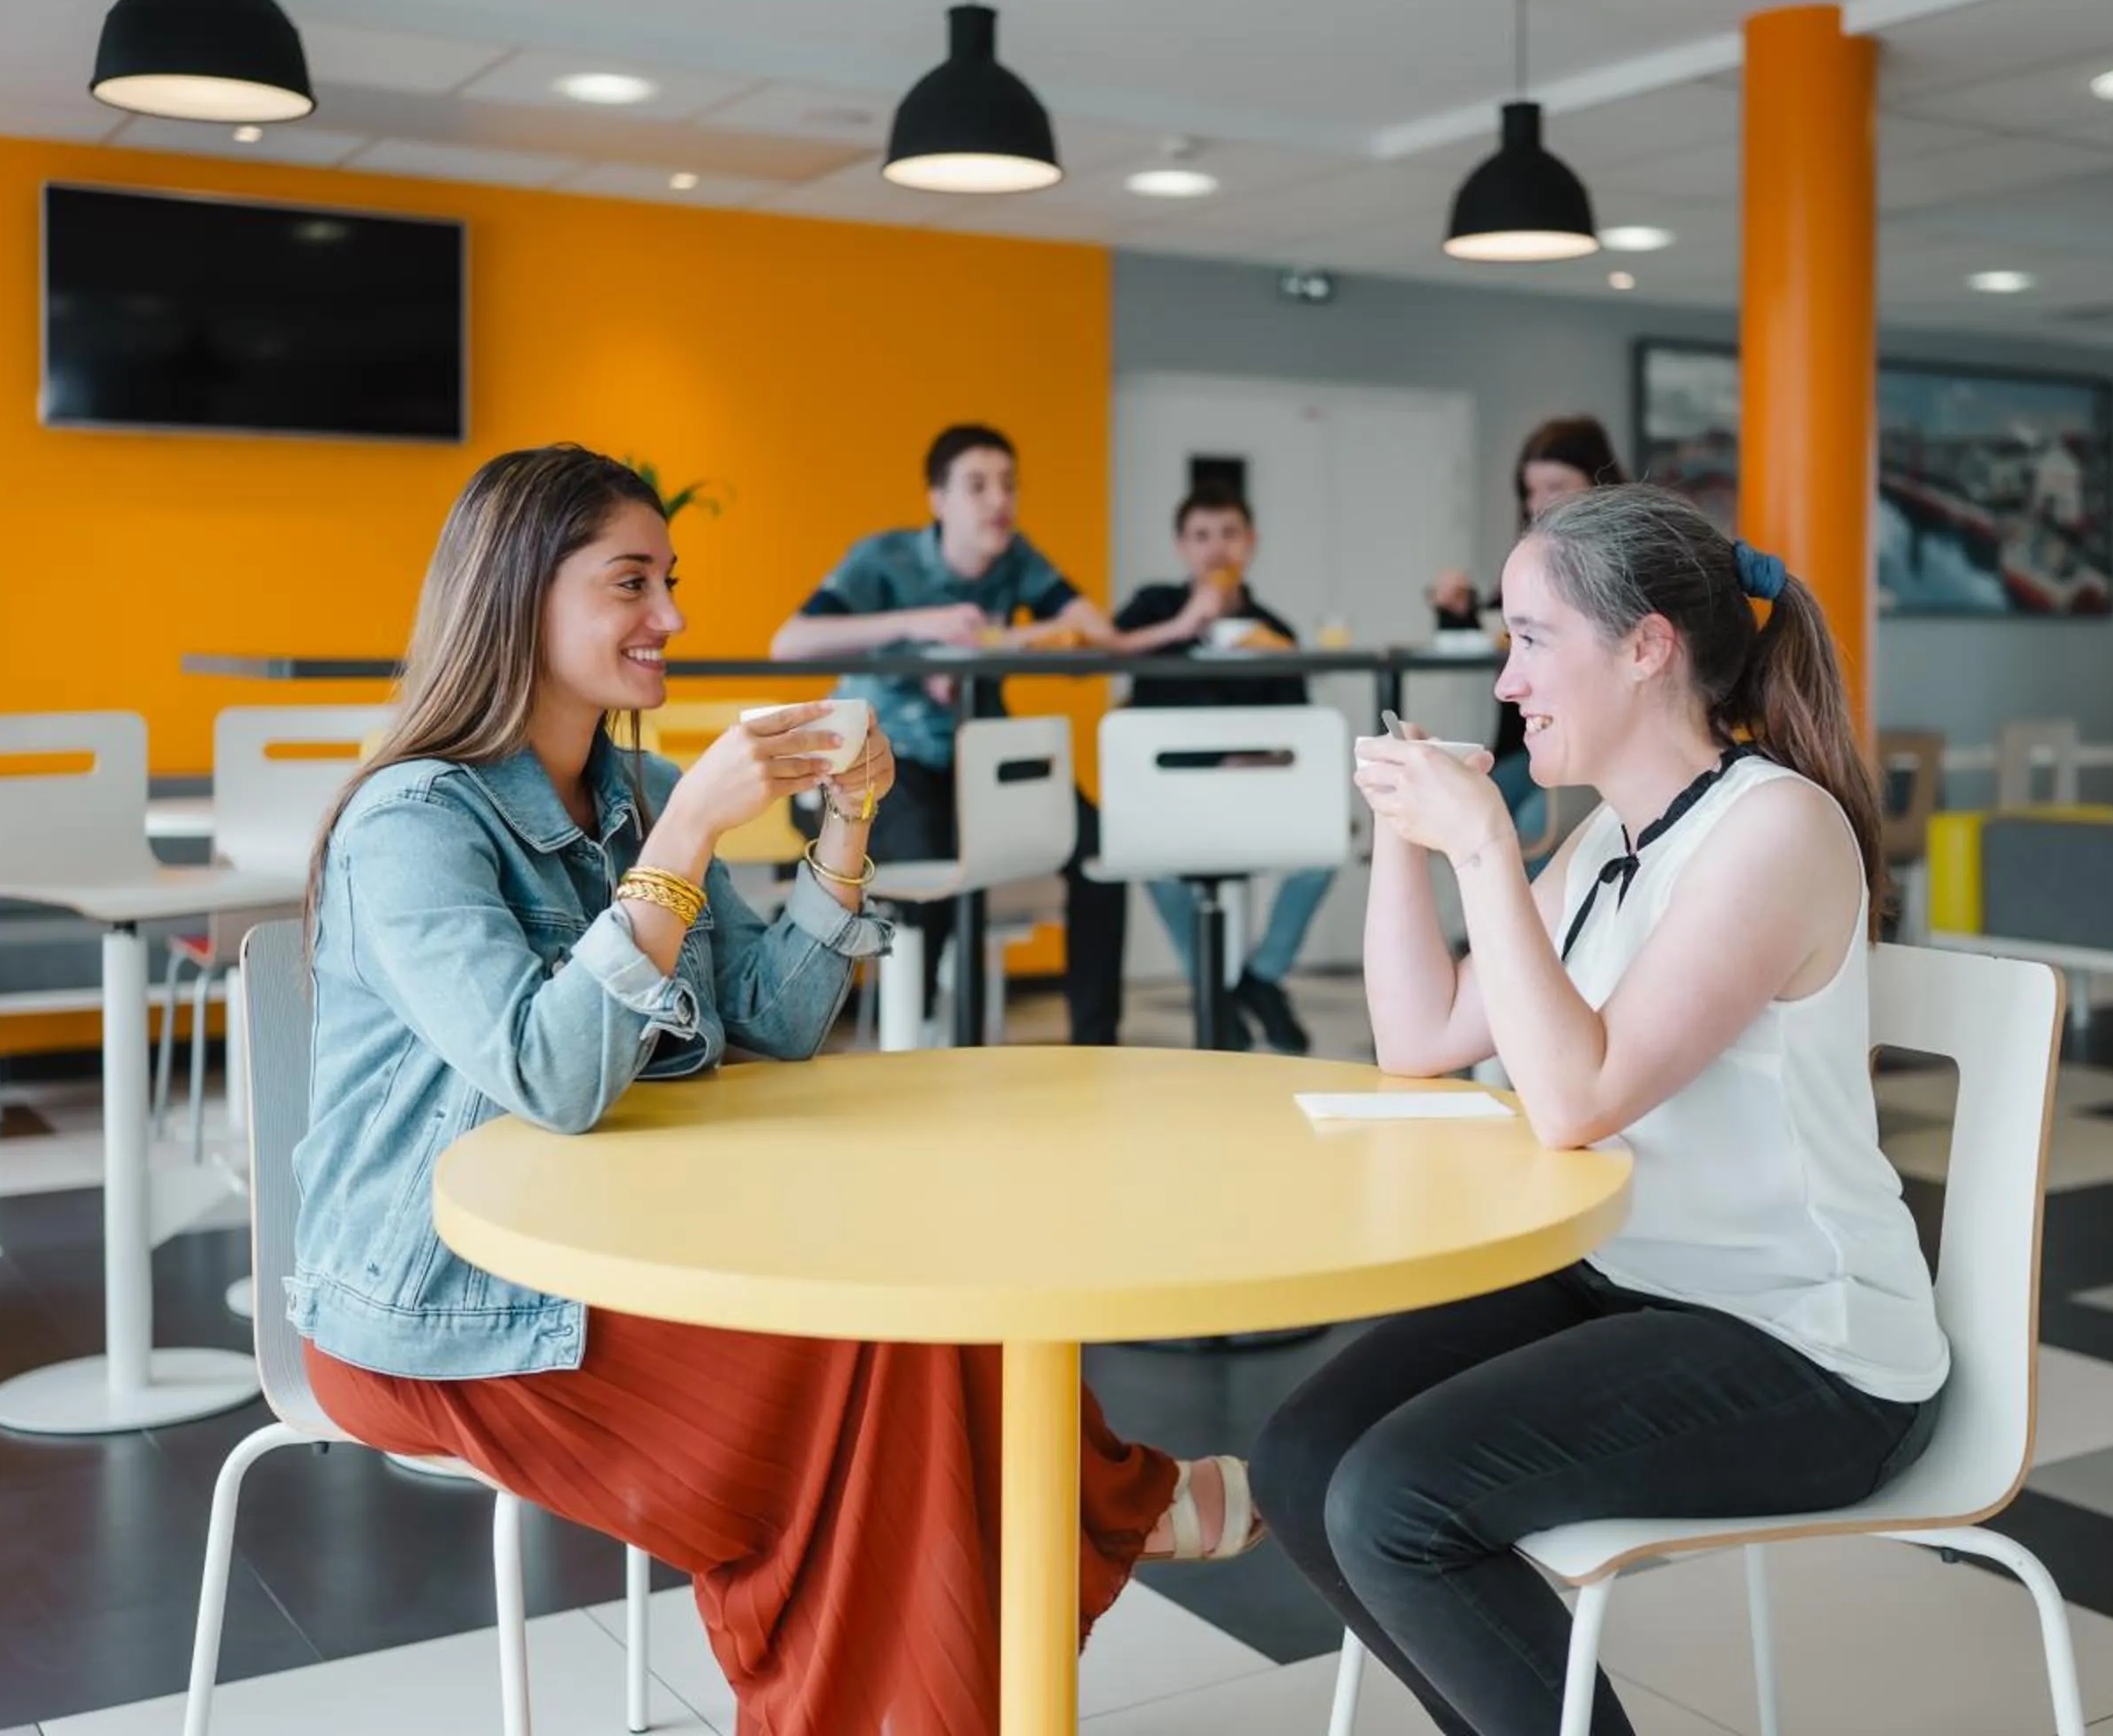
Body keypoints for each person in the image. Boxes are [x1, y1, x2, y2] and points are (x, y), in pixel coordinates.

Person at [292, 445, 1261, 1736]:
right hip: (437, 1308)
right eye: (631, 582)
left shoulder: (631, 792)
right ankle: (1103, 1508)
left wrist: (846, 829)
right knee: (875, 1402)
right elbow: (551, 1076)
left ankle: (1024, 1585)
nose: (675, 617)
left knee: (921, 1314)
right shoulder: (414, 822)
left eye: (671, 580)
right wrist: (690, 833)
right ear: (517, 597)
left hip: (615, 1253)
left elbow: (773, 1020)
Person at [1254, 483, 1946, 1736]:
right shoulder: (1604, 846)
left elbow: (1571, 1100)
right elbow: (1419, 1041)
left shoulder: (1774, 831)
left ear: (1645, 648)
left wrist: (1482, 854)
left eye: (1530, 639)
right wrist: (1408, 842)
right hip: (1635, 1283)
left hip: (1808, 1341)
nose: (1507, 681)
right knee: (1304, 1464)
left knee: (1394, 1502)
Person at [769, 424, 1131, 1044]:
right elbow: (789, 643)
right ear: (938, 500)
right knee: (931, 867)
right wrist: (922, 625)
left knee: (1099, 854)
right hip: (892, 758)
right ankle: (925, 1033)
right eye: (979, 485)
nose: (1000, 501)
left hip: (982, 756)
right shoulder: (882, 558)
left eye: (1010, 485)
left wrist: (1000, 640)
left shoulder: (1019, 559)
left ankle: (1096, 1043)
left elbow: (1096, 631)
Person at [1112, 482, 1336, 1054]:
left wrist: (1256, 757)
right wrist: (1185, 625)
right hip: (1168, 803)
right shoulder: (1153, 609)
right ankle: (1221, 991)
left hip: (1250, 799)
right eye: (1201, 535)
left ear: (1251, 542)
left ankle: (1257, 980)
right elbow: (1105, 652)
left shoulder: (1273, 632)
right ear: (1181, 546)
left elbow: (1298, 738)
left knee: (1324, 849)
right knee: (1147, 855)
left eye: (1229, 533)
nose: (1216, 549)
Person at [1428, 414, 1625, 871]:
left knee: (1533, 823)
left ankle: (1536, 932)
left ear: (1600, 482)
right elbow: (1497, 635)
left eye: (1555, 487)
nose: (1539, 504)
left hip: (1595, 738)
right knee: (1475, 802)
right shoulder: (1534, 562)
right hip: (1527, 740)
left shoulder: (1619, 567)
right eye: (1530, 492)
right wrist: (1458, 615)